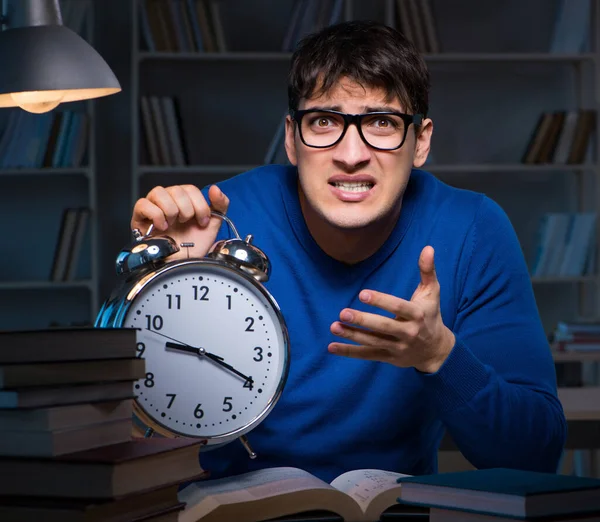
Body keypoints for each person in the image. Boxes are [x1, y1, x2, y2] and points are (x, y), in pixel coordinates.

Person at [131, 20, 567, 482]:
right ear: (292, 139)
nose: (352, 154)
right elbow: (124, 434)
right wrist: (162, 288)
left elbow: (535, 456)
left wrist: (440, 356)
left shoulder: (471, 230)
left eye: (382, 122)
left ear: (420, 141)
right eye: (324, 121)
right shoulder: (213, 219)